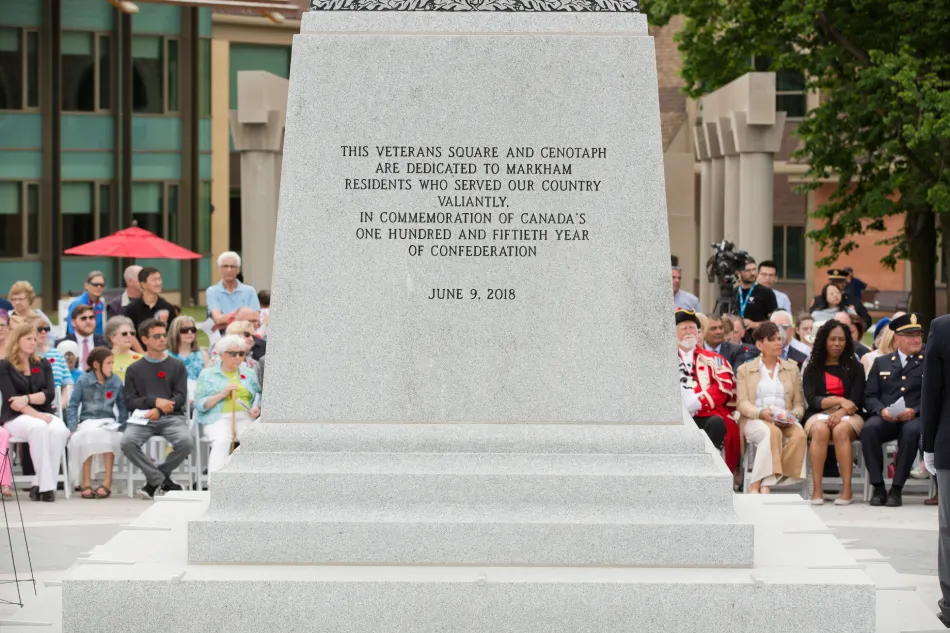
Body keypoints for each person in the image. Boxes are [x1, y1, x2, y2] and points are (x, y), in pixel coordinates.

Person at [121, 319, 194, 500]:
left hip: (172, 417)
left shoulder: (177, 366)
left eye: (164, 335)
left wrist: (160, 410)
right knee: (127, 443)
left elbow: (180, 397)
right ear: (145, 340)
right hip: (143, 418)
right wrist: (154, 402)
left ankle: (154, 481)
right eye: (157, 336)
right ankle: (162, 480)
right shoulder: (134, 369)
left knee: (186, 442)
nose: (162, 339)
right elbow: (130, 401)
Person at [0, 322, 70, 502]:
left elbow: (48, 394)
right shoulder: (5, 366)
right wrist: (36, 413)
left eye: (34, 338)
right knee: (38, 427)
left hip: (43, 412)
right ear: (17, 340)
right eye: (28, 338)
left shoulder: (43, 363)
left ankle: (39, 483)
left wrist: (28, 398)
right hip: (15, 416)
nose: (33, 342)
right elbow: (12, 400)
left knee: (60, 430)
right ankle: (47, 488)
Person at [862, 312, 924, 507]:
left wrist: (915, 410)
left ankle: (897, 489)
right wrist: (882, 411)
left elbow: (935, 395)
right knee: (869, 429)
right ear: (897, 338)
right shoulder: (882, 362)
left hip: (914, 416)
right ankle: (878, 487)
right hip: (887, 417)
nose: (916, 339)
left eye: (919, 335)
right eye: (910, 335)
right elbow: (870, 396)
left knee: (912, 431)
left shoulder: (928, 361)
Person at [736, 321, 806, 493]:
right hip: (755, 418)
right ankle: (761, 484)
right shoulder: (745, 369)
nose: (779, 343)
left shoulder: (792, 369)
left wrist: (793, 416)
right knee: (771, 432)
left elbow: (799, 403)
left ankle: (770, 479)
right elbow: (742, 403)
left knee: (800, 435)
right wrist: (761, 413)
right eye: (773, 340)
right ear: (760, 345)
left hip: (784, 418)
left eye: (780, 339)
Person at [802, 320, 866, 505]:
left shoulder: (855, 366)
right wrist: (839, 400)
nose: (837, 344)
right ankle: (817, 490)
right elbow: (812, 399)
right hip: (818, 413)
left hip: (851, 414)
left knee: (840, 430)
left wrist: (840, 412)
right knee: (821, 430)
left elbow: (856, 399)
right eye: (833, 339)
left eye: (841, 339)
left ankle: (847, 490)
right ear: (824, 340)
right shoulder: (813, 366)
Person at [674, 309, 740, 472]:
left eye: (692, 328)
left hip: (705, 413)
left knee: (717, 423)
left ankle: (711, 468)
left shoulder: (713, 359)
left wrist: (697, 402)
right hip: (675, 416)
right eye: (684, 329)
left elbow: (723, 388)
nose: (689, 332)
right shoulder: (663, 360)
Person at [195, 335, 262, 481]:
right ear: (221, 355)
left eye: (241, 354)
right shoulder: (207, 374)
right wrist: (222, 394)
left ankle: (248, 482)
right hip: (216, 416)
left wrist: (257, 406)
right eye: (232, 354)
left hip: (245, 415)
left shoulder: (249, 373)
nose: (237, 357)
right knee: (222, 440)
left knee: (251, 440)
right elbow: (199, 404)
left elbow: (260, 394)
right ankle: (215, 483)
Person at [920, 313, 950, 626]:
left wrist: (928, 443)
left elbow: (932, 393)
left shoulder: (942, 328)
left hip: (948, 442)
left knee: (949, 528)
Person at [66, 346, 127, 499]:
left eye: (112, 363)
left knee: (108, 435)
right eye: (108, 363)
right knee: (87, 435)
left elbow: (122, 405)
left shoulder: (116, 381)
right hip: (88, 420)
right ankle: (85, 482)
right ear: (96, 364)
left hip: (108, 420)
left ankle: (107, 480)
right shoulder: (83, 380)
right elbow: (73, 405)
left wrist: (122, 424)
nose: (111, 367)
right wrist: (72, 426)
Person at [207, 252, 260, 336]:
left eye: (232, 266)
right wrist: (244, 318)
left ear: (238, 269)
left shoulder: (249, 291)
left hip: (246, 336)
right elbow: (218, 319)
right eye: (225, 266)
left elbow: (255, 318)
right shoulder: (212, 291)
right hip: (222, 338)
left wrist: (226, 319)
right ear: (219, 269)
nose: (229, 270)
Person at [123, 267, 180, 332]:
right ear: (143, 284)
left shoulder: (167, 307)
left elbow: (173, 332)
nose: (158, 283)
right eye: (154, 280)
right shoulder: (132, 308)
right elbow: (129, 332)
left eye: (159, 279)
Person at [736, 258, 777, 329]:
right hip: (736, 338)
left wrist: (754, 324)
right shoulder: (734, 292)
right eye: (748, 270)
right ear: (739, 273)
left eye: (754, 269)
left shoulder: (766, 293)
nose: (752, 273)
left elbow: (774, 321)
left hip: (758, 337)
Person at [65, 271, 107, 336]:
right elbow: (71, 330)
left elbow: (100, 329)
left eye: (102, 285)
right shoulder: (77, 303)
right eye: (95, 285)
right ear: (86, 286)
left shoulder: (100, 304)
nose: (99, 287)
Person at [105, 316, 142, 383]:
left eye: (132, 333)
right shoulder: (104, 359)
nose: (129, 336)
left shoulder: (141, 359)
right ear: (113, 338)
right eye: (124, 334)